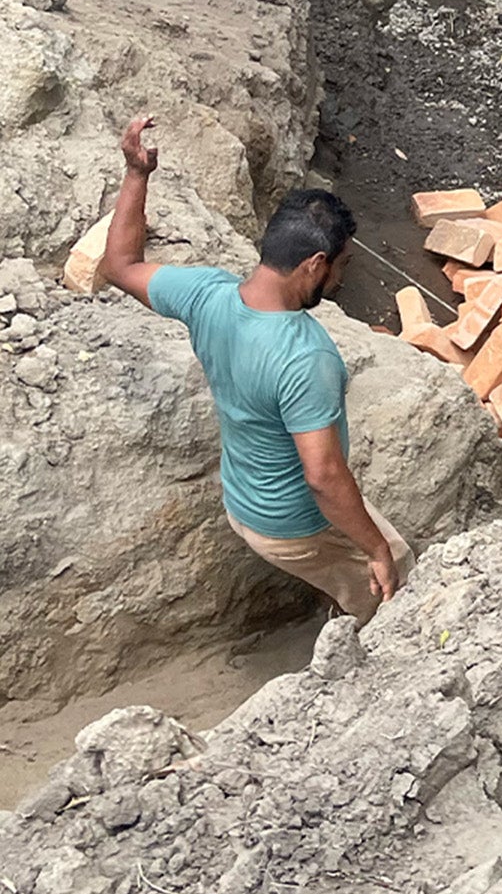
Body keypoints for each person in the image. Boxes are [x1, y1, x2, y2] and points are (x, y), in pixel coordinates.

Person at [99, 114, 414, 625]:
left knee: (356, 568)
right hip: (293, 522)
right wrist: (376, 550)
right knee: (396, 582)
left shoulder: (207, 294)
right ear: (315, 264)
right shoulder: (305, 357)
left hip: (245, 497)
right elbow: (323, 476)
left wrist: (137, 173)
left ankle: (337, 601)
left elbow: (120, 266)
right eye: (341, 267)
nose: (339, 280)